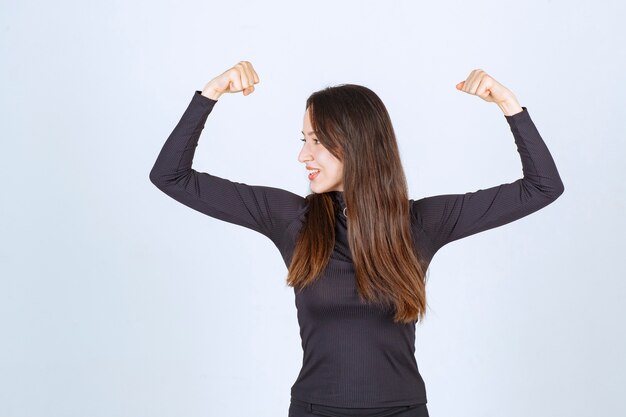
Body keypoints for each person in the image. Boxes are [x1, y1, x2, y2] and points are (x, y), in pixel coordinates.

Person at [149, 61, 564, 417]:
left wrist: (509, 105)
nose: (303, 155)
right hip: (314, 409)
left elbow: (542, 187)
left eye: (316, 141)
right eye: (303, 141)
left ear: (357, 146)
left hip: (404, 410)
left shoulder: (419, 222)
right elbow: (170, 176)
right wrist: (210, 94)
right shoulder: (291, 218)